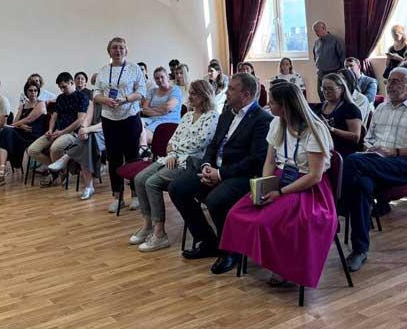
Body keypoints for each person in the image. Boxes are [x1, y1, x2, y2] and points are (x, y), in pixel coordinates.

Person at [219, 82, 336, 286]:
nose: (268, 105)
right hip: (280, 178)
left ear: (285, 106)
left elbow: (314, 176)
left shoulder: (314, 129)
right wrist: (263, 186)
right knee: (237, 213)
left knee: (266, 221)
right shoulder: (276, 123)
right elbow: (270, 162)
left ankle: (281, 268)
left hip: (306, 187)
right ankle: (266, 260)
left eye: (272, 102)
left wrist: (280, 192)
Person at [168, 73, 272, 275]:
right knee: (177, 188)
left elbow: (255, 161)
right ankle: (208, 241)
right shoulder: (227, 114)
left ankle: (231, 251)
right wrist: (207, 165)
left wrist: (220, 174)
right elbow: (213, 145)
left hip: (242, 176)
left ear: (245, 94)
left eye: (232, 89)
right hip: (215, 169)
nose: (227, 92)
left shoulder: (262, 120)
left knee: (215, 200)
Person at [341, 67, 407, 272]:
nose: (389, 86)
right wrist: (372, 150)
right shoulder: (381, 109)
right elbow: (368, 140)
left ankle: (339, 207)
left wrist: (394, 152)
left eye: (395, 81)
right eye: (388, 82)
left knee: (351, 161)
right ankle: (360, 249)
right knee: (360, 184)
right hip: (377, 163)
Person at [129, 80, 219, 252]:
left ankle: (159, 234)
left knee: (152, 183)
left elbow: (199, 143)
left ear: (204, 96)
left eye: (194, 93)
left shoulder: (212, 116)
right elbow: (172, 140)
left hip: (191, 162)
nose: (190, 97)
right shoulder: (187, 116)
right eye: (190, 93)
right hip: (173, 158)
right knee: (139, 179)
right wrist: (171, 153)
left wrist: (174, 151)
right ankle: (147, 225)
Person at [93, 37, 147, 213]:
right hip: (109, 118)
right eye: (114, 48)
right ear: (109, 51)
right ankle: (118, 197)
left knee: (132, 157)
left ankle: (136, 195)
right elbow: (96, 93)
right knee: (113, 158)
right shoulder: (103, 71)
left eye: (121, 47)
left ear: (126, 50)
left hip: (130, 116)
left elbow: (141, 91)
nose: (118, 50)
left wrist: (125, 99)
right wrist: (105, 100)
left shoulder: (134, 68)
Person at [27, 72, 89, 187]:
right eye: (60, 87)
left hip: (72, 133)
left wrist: (62, 132)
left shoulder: (82, 97)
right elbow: (54, 117)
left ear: (72, 83)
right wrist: (50, 130)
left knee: (55, 148)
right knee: (32, 150)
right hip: (57, 131)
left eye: (64, 86)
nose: (62, 89)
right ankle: (61, 171)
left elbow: (80, 120)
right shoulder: (60, 98)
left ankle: (56, 172)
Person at [0, 81, 48, 188]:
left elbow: (29, 119)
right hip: (22, 133)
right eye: (30, 90)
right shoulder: (23, 106)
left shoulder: (41, 103)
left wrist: (16, 125)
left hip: (34, 134)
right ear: (26, 92)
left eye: (35, 90)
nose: (33, 92)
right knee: (5, 132)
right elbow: (16, 122)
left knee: (5, 132)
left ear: (38, 92)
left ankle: (2, 172)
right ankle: (2, 171)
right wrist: (20, 125)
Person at [54, 97, 105, 200]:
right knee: (87, 141)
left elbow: (106, 124)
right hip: (93, 133)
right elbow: (87, 119)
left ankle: (66, 158)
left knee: (88, 140)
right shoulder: (95, 101)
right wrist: (83, 128)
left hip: (110, 132)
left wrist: (87, 129)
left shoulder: (113, 100)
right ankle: (88, 187)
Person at [315, 73, 363, 157]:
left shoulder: (350, 109)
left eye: (330, 89)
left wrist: (331, 129)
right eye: (324, 88)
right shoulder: (318, 108)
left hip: (341, 152)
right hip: (320, 148)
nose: (326, 92)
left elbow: (356, 137)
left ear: (342, 89)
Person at [141, 67, 182, 137]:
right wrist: (162, 111)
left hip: (168, 121)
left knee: (142, 135)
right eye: (157, 78)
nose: (160, 80)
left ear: (167, 77)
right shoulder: (152, 91)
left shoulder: (175, 90)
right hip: (151, 119)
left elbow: (167, 107)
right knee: (134, 125)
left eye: (162, 77)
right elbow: (145, 109)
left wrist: (152, 109)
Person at [312, 21, 346, 101]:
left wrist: (340, 73)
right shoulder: (316, 43)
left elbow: (342, 58)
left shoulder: (336, 41)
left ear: (324, 28)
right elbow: (315, 57)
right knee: (321, 94)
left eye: (317, 30)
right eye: (315, 31)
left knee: (333, 96)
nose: (316, 33)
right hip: (321, 74)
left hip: (333, 73)